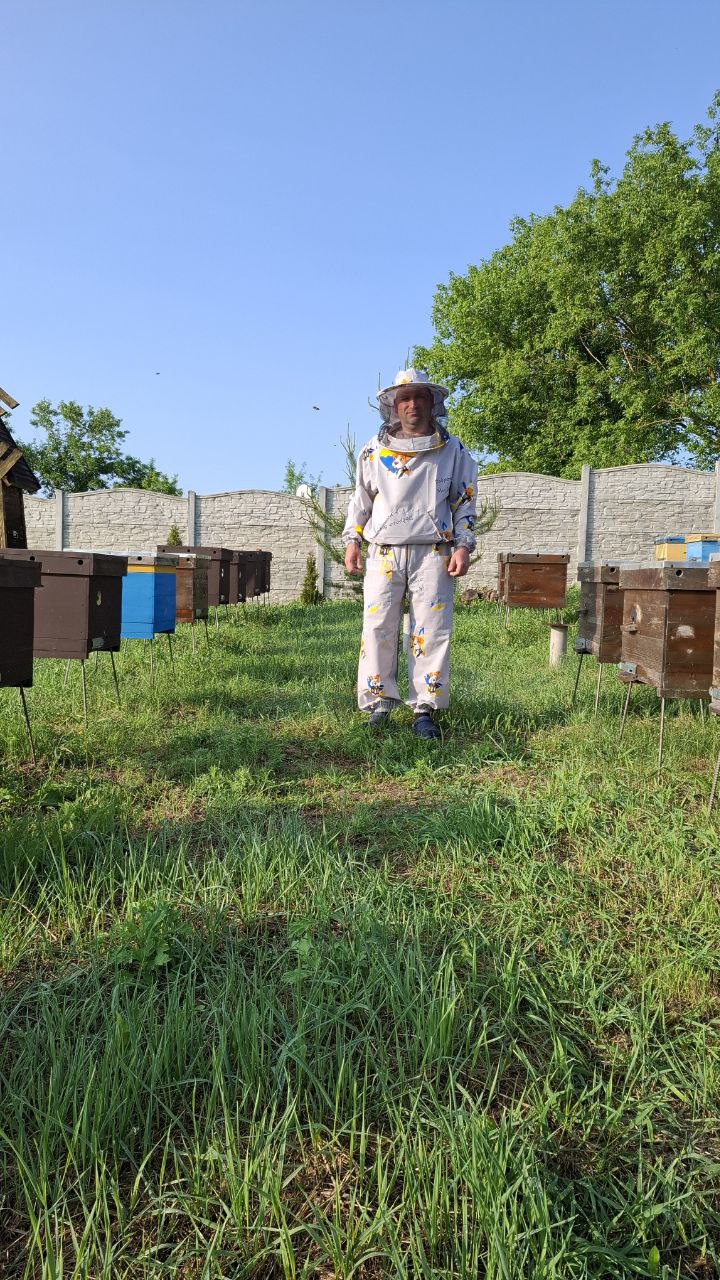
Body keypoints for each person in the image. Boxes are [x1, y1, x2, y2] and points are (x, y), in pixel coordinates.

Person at [342, 368, 478, 738]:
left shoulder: (453, 450)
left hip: (434, 552)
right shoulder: (373, 450)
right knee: (377, 628)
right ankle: (379, 702)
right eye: (405, 398)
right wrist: (353, 540)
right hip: (384, 552)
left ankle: (424, 710)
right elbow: (361, 500)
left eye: (420, 397)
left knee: (431, 630)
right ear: (393, 405)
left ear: (432, 403)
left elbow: (464, 501)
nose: (412, 404)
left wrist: (463, 545)